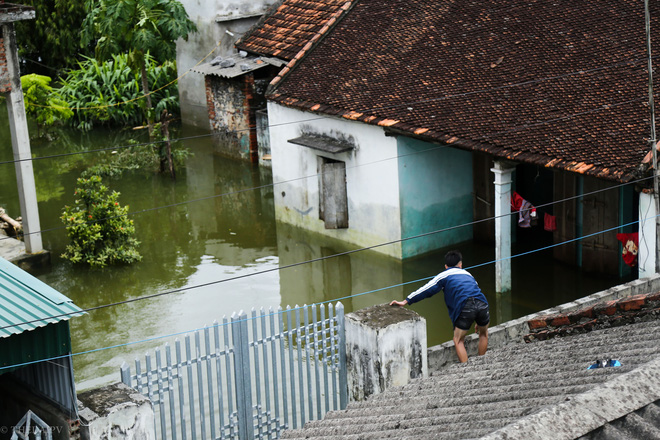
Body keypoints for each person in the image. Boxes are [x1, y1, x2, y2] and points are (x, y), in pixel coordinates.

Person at [390, 250, 489, 363]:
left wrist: (406, 300)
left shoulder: (443, 275)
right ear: (461, 265)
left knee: (458, 340)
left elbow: (426, 290)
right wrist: (478, 319)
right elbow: (476, 292)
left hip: (465, 306)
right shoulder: (468, 274)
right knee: (483, 334)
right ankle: (482, 363)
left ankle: (467, 368)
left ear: (446, 266)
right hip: (482, 303)